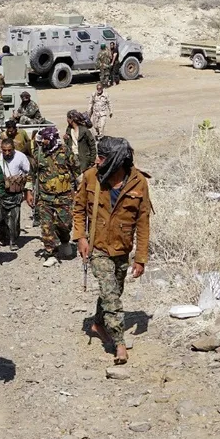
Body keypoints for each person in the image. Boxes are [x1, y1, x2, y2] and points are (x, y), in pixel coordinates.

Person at [72, 137, 152, 365]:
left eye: (102, 157)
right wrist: (80, 238)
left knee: (114, 290)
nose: (97, 161)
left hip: (122, 248)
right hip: (97, 246)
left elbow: (143, 223)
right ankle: (119, 342)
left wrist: (140, 258)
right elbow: (78, 209)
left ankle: (98, 323)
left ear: (116, 159)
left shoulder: (138, 182)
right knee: (110, 293)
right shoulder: (91, 177)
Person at [32, 126, 77, 268]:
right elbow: (31, 173)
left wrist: (80, 190)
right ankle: (51, 253)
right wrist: (28, 192)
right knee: (46, 226)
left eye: (45, 139)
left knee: (65, 224)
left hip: (64, 197)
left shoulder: (65, 151)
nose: (43, 141)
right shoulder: (39, 153)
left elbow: (77, 169)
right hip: (45, 198)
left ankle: (65, 240)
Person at [0, 137, 31, 248]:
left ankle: (13, 241)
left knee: (14, 218)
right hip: (0, 194)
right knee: (0, 218)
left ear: (14, 149)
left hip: (15, 194)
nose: (7, 153)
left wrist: (28, 191)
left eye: (9, 150)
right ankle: (3, 237)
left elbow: (28, 173)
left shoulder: (21, 157)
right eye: (4, 150)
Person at [64, 110, 97, 175]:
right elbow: (68, 143)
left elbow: (92, 146)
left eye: (68, 118)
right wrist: (66, 139)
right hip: (72, 157)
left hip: (83, 158)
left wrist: (92, 160)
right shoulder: (69, 129)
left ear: (71, 120)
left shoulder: (84, 131)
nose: (67, 120)